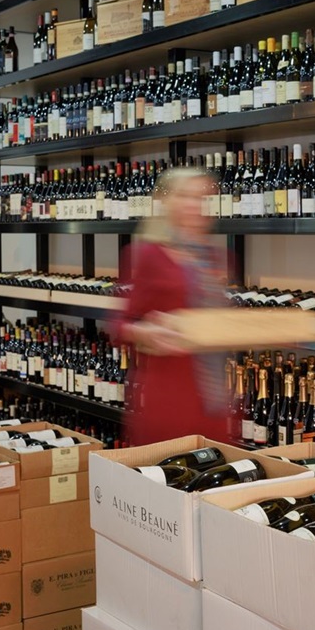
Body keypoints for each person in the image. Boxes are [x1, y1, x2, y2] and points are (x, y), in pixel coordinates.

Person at [111, 167, 230, 445]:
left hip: (212, 401)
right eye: (186, 196)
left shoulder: (214, 257)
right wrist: (147, 333)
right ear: (169, 203)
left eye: (202, 197)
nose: (195, 205)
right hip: (171, 398)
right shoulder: (149, 255)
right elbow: (119, 324)